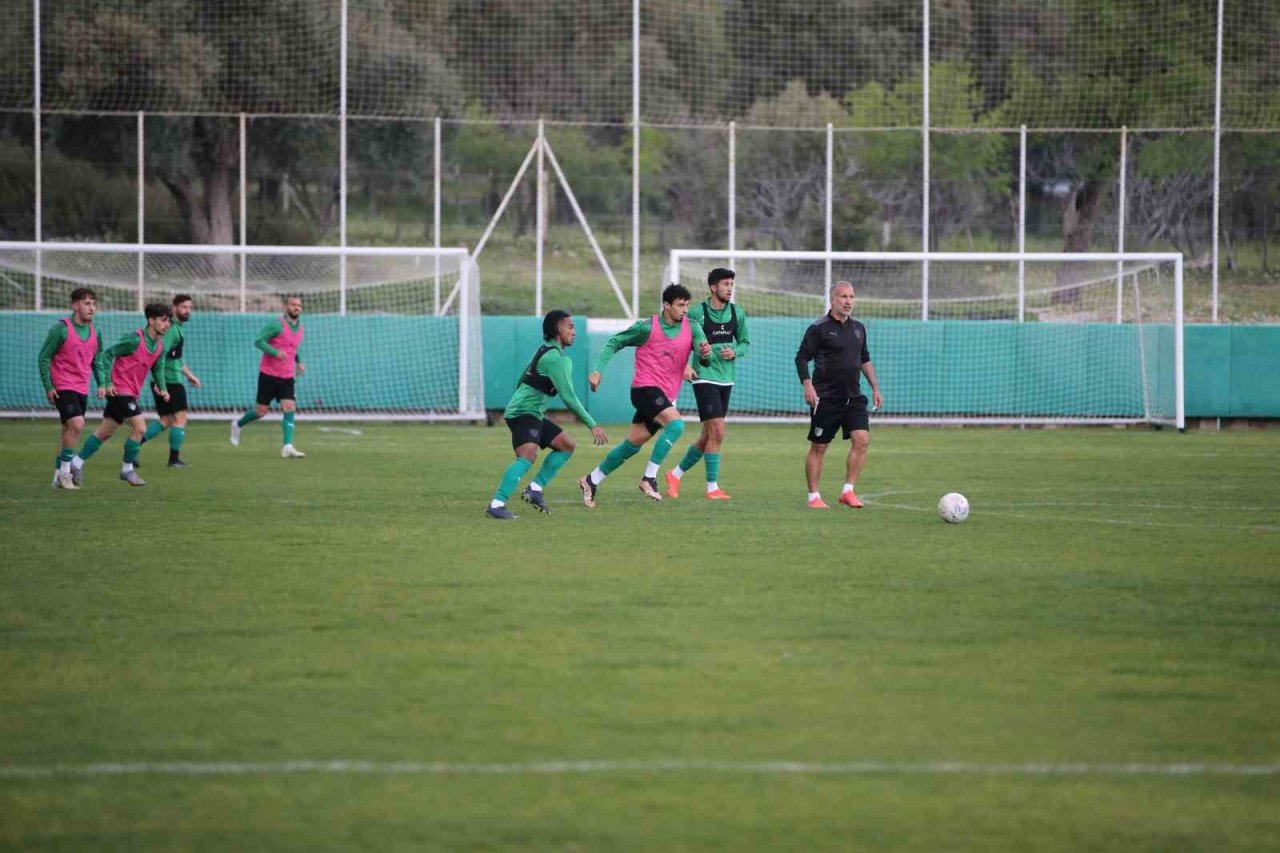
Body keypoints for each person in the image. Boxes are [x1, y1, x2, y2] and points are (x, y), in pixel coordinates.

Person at [578, 283, 711, 507]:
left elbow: (705, 359)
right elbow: (614, 342)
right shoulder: (647, 328)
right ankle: (649, 478)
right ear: (666, 305)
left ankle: (591, 480)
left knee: (633, 443)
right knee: (676, 425)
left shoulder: (693, 327)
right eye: (680, 305)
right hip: (644, 389)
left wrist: (705, 355)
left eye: (687, 305)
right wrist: (597, 370)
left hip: (666, 394)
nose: (685, 309)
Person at [486, 310, 609, 520]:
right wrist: (592, 424)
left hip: (530, 413)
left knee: (566, 445)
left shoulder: (546, 351)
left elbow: (522, 378)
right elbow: (569, 398)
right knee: (527, 456)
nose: (574, 332)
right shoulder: (556, 359)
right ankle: (497, 504)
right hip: (524, 413)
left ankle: (534, 489)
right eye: (570, 327)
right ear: (558, 330)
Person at [794, 281, 884, 509]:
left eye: (851, 297)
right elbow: (802, 357)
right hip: (826, 398)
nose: (848, 301)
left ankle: (848, 491)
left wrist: (874, 387)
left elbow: (864, 358)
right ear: (833, 300)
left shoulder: (859, 328)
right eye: (843, 296)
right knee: (819, 447)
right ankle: (813, 496)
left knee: (862, 440)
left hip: (854, 397)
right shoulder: (819, 328)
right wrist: (807, 384)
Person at [665, 267, 749, 501]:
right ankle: (712, 487)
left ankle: (674, 474)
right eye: (725, 284)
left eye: (731, 284)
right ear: (713, 287)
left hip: (726, 378)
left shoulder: (738, 313)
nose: (729, 288)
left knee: (708, 436)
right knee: (719, 431)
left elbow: (744, 342)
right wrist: (684, 366)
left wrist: (736, 352)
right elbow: (680, 341)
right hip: (703, 377)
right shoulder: (697, 313)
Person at [70, 302, 172, 487]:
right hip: (118, 390)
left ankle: (75, 464)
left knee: (105, 431)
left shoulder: (159, 346)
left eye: (169, 321)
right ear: (151, 320)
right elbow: (107, 354)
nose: (167, 324)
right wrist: (107, 382)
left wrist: (162, 387)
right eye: (163, 320)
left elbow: (158, 367)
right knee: (140, 428)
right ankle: (127, 470)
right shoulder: (134, 339)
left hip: (131, 393)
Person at [37, 287, 103, 490]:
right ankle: (66, 473)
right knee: (77, 424)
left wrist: (102, 383)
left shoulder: (95, 331)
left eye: (93, 303)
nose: (91, 308)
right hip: (62, 386)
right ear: (74, 305)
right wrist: (49, 386)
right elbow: (44, 357)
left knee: (68, 430)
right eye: (86, 303)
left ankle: (57, 477)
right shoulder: (61, 329)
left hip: (81, 387)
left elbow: (97, 359)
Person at [230, 295, 306, 458]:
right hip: (268, 375)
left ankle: (287, 446)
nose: (296, 307)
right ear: (286, 307)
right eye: (293, 304)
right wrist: (275, 352)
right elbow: (259, 341)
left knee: (289, 407)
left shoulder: (300, 329)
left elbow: (292, 348)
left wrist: (299, 362)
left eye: (299, 305)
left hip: (287, 377)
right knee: (261, 411)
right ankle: (237, 424)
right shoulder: (277, 324)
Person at [139, 293, 201, 468]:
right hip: (169, 381)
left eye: (189, 307)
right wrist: (160, 383)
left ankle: (133, 446)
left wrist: (190, 376)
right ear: (174, 308)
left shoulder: (177, 328)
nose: (187, 310)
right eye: (183, 307)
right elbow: (158, 354)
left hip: (170, 379)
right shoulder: (171, 329)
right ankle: (173, 460)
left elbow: (175, 359)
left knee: (166, 420)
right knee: (180, 418)